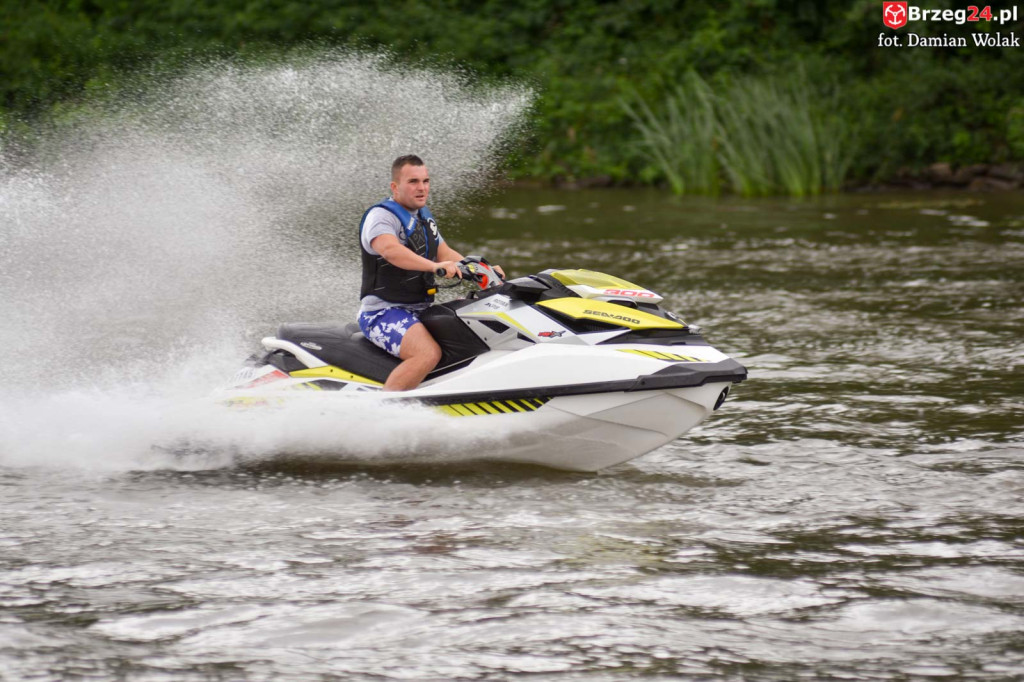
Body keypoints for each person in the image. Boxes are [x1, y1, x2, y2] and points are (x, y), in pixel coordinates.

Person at [357, 155, 501, 391]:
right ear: (395, 187)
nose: (422, 188)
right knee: (427, 354)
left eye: (425, 181)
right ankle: (381, 411)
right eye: (413, 181)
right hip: (382, 312)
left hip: (420, 309)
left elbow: (445, 253)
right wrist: (433, 267)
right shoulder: (381, 217)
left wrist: (484, 269)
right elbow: (391, 250)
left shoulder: (423, 217)